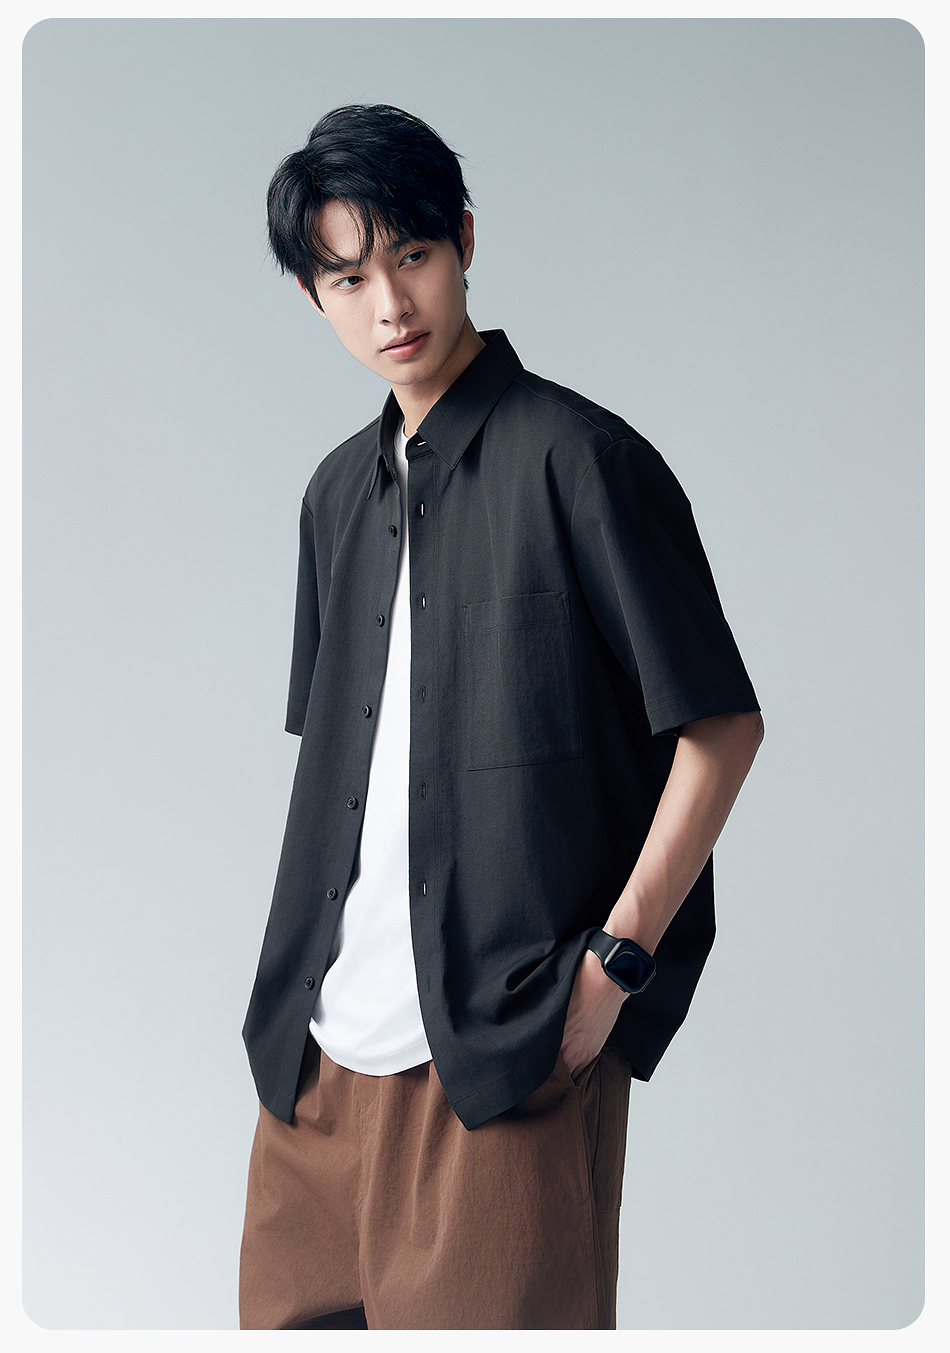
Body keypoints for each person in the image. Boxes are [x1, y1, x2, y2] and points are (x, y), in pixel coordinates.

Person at [238, 103, 764, 1332]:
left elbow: (719, 728)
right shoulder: (332, 496)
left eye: (412, 255)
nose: (390, 306)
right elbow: (349, 781)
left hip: (501, 1060)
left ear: (464, 241)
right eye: (348, 278)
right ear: (312, 296)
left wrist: (614, 968)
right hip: (312, 1078)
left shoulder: (583, 460)